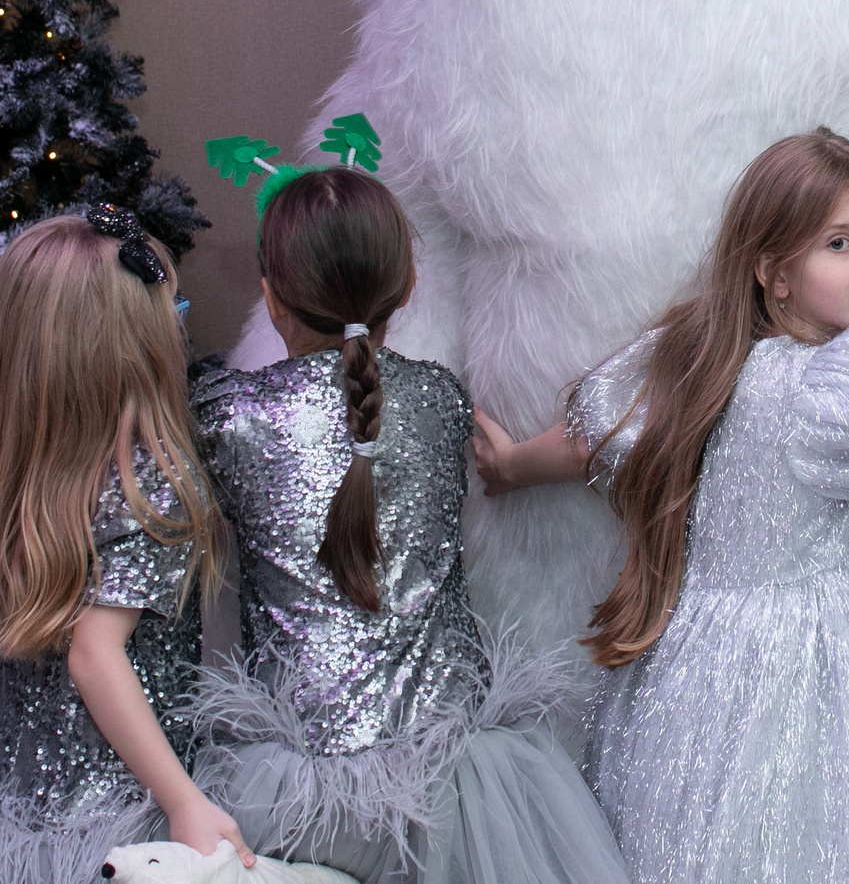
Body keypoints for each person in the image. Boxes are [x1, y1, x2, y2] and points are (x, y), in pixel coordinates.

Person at [475, 128, 849, 884]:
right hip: (809, 663)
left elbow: (593, 441)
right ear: (775, 272)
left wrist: (508, 466)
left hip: (699, 663)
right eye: (841, 242)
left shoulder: (711, 354)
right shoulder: (830, 390)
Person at [189, 163, 632, 884]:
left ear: (271, 298)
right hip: (454, 784)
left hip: (295, 789)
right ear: (406, 287)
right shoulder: (441, 401)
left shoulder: (228, 416)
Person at [0, 209, 245, 884]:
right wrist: (183, 799)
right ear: (129, 341)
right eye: (174, 309)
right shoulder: (151, 484)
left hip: (10, 799)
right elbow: (94, 654)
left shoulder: (24, 473)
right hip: (114, 813)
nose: (181, 325)